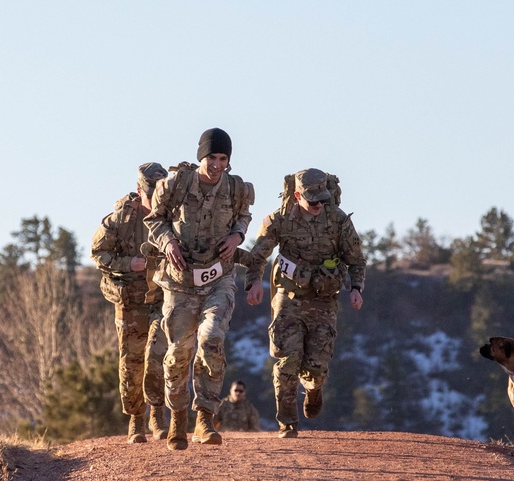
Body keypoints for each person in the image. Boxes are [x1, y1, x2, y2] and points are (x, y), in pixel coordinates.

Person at [144, 128, 255, 450]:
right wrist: (167, 244)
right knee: (178, 353)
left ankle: (205, 417)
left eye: (223, 158)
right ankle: (177, 418)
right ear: (200, 157)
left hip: (218, 278)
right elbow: (155, 220)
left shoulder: (237, 189)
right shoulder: (174, 185)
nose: (217, 164)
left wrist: (237, 237)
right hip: (180, 281)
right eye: (212, 157)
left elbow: (243, 218)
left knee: (212, 339)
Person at [245, 168, 366, 438]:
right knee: (288, 360)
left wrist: (355, 288)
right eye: (313, 201)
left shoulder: (338, 220)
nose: (318, 206)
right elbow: (258, 254)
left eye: (323, 200)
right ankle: (287, 422)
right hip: (288, 300)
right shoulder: (280, 220)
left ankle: (313, 388)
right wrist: (253, 282)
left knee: (317, 365)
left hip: (324, 301)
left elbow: (356, 259)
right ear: (298, 195)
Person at [91, 162, 171, 444]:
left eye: (161, 190)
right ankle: (136, 419)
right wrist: (128, 263)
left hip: (163, 298)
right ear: (140, 190)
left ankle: (158, 416)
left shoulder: (173, 215)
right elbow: (98, 253)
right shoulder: (120, 219)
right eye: (151, 192)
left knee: (157, 356)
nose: (156, 197)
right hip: (131, 300)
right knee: (132, 361)